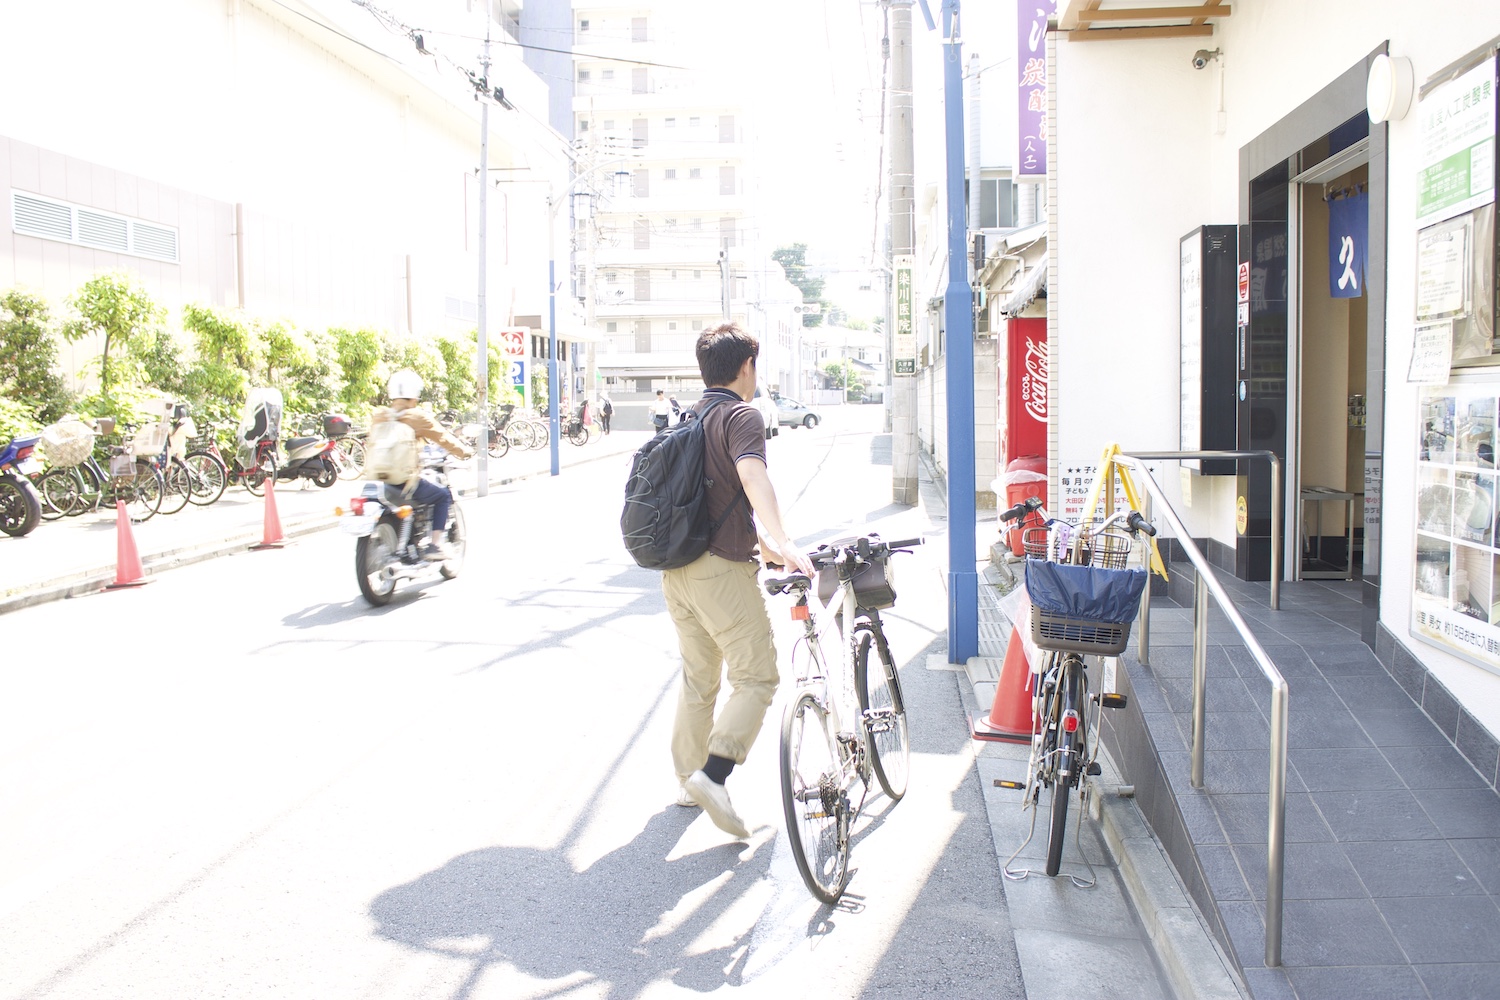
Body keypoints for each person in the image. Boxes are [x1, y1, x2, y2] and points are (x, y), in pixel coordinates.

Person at [663, 323, 815, 838]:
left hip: (677, 570)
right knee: (757, 676)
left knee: (699, 679)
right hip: (719, 572)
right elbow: (751, 478)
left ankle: (688, 780)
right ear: (746, 367)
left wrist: (766, 549)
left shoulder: (691, 416)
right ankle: (714, 773)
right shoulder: (741, 416)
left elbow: (714, 499)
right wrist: (786, 540)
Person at [371, 369, 475, 561]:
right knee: (442, 496)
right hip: (403, 480)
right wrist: (465, 452)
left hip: (377, 480)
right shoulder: (417, 417)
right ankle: (435, 545)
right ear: (414, 394)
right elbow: (443, 438)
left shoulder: (379, 415)